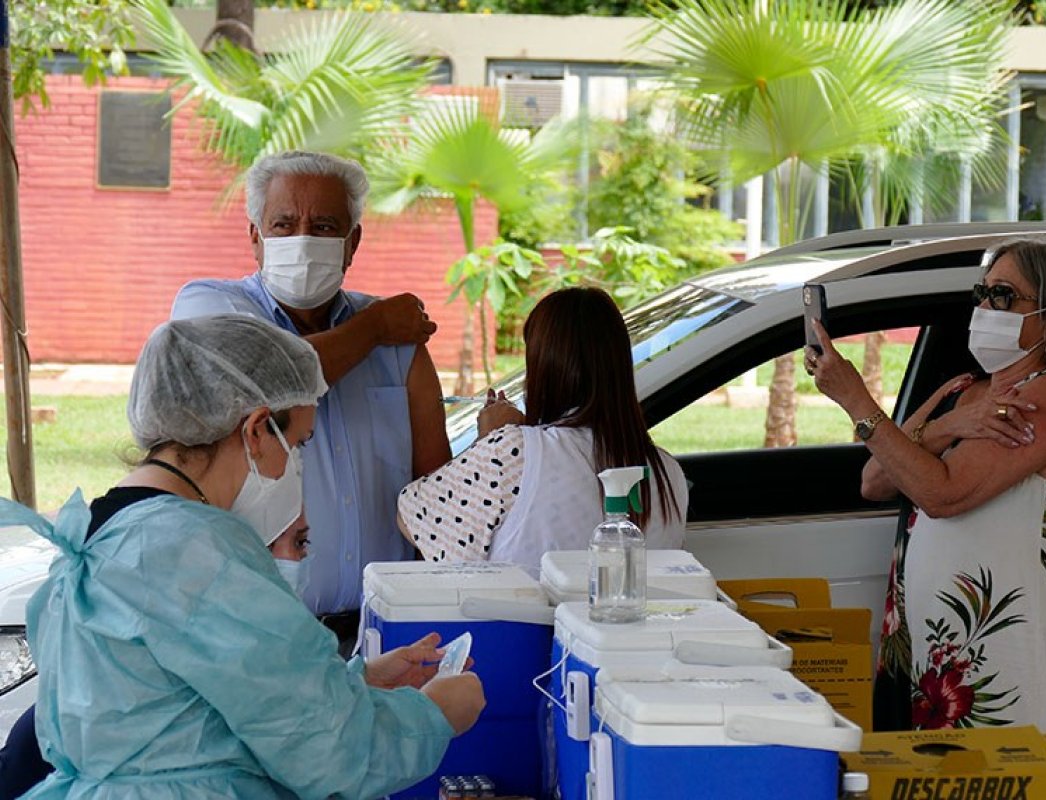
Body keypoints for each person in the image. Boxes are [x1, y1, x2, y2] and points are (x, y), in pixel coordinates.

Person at [0, 314, 484, 798]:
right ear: (255, 430)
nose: (297, 465)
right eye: (299, 444)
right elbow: (328, 751)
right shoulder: (195, 548)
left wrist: (355, 682)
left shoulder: (100, 530)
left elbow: (190, 704)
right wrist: (433, 715)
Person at [806, 236, 1046, 732]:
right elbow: (876, 478)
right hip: (925, 647)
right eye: (981, 293)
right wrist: (946, 426)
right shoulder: (963, 390)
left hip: (996, 664)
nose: (985, 307)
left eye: (1003, 296)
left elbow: (942, 494)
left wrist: (857, 399)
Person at [171, 150, 449, 644]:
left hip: (384, 637)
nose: (301, 239)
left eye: (323, 226)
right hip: (262, 640)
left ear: (352, 243)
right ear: (255, 237)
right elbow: (271, 379)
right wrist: (376, 327)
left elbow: (435, 494)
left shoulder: (399, 348)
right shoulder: (209, 307)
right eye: (283, 224)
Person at [395, 287, 689, 577]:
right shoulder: (668, 472)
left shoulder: (511, 452)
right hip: (622, 624)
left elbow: (412, 518)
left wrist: (489, 442)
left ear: (543, 369)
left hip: (524, 625)